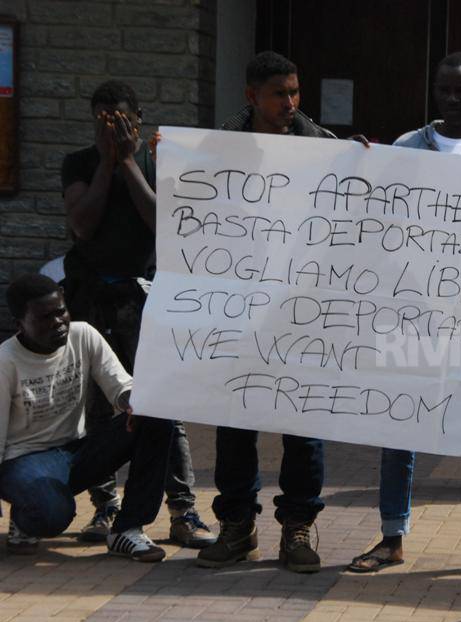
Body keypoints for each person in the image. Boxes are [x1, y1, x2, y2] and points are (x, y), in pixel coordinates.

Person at [347, 52, 461, 581]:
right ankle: (392, 536)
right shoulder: (404, 149)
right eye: (444, 89)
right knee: (399, 424)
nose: (452, 99)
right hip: (412, 316)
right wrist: (358, 165)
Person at [197, 51, 336, 573]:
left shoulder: (323, 148)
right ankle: (238, 527)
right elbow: (189, 211)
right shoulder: (216, 148)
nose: (291, 103)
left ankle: (297, 528)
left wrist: (369, 165)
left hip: (302, 313)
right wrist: (174, 162)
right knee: (235, 422)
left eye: (295, 92)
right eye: (280, 93)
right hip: (238, 311)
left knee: (303, 426)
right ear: (252, 96)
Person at [60, 80, 213, 549]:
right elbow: (82, 225)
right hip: (91, 298)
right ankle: (104, 508)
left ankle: (182, 509)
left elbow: (163, 222)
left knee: (163, 405)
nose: (110, 127)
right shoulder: (80, 163)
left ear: (138, 118)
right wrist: (107, 161)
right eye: (101, 119)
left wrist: (127, 160)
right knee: (97, 404)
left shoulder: (158, 162)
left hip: (147, 296)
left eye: (119, 119)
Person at [1, 275, 172, 561]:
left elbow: (120, 384)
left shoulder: (83, 336)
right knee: (53, 514)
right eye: (45, 317)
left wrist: (133, 404)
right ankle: (26, 513)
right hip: (22, 462)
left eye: (61, 311)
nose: (58, 322)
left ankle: (127, 530)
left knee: (155, 417)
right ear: (20, 325)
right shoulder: (5, 362)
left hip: (76, 451)